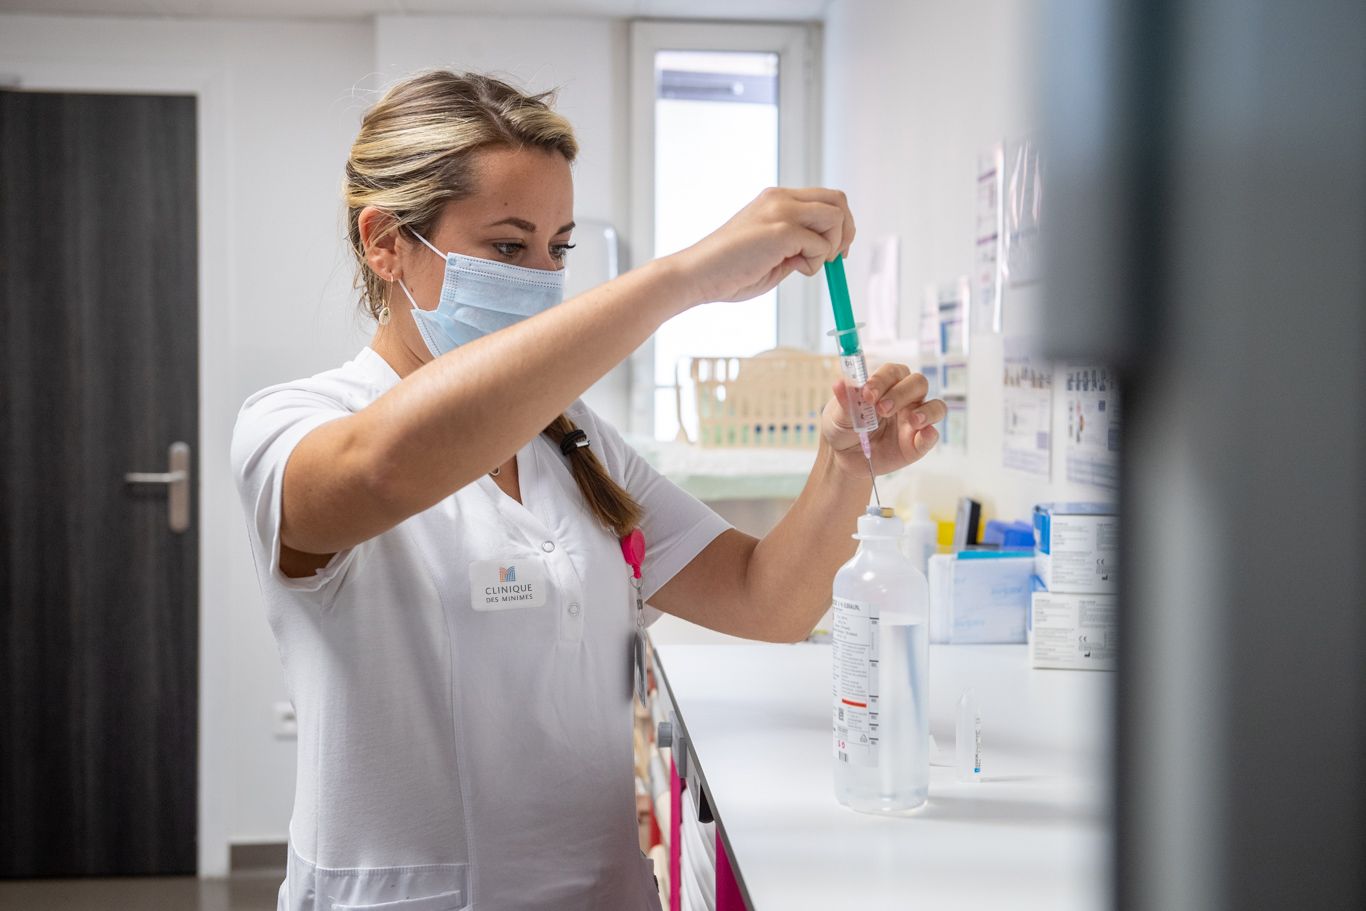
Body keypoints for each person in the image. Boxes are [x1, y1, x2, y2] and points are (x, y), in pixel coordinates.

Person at [231, 70, 945, 911]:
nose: (541, 277)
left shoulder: (571, 442)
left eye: (558, 248)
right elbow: (385, 468)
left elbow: (767, 599)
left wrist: (845, 466)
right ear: (386, 241)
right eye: (508, 246)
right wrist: (684, 278)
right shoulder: (293, 423)